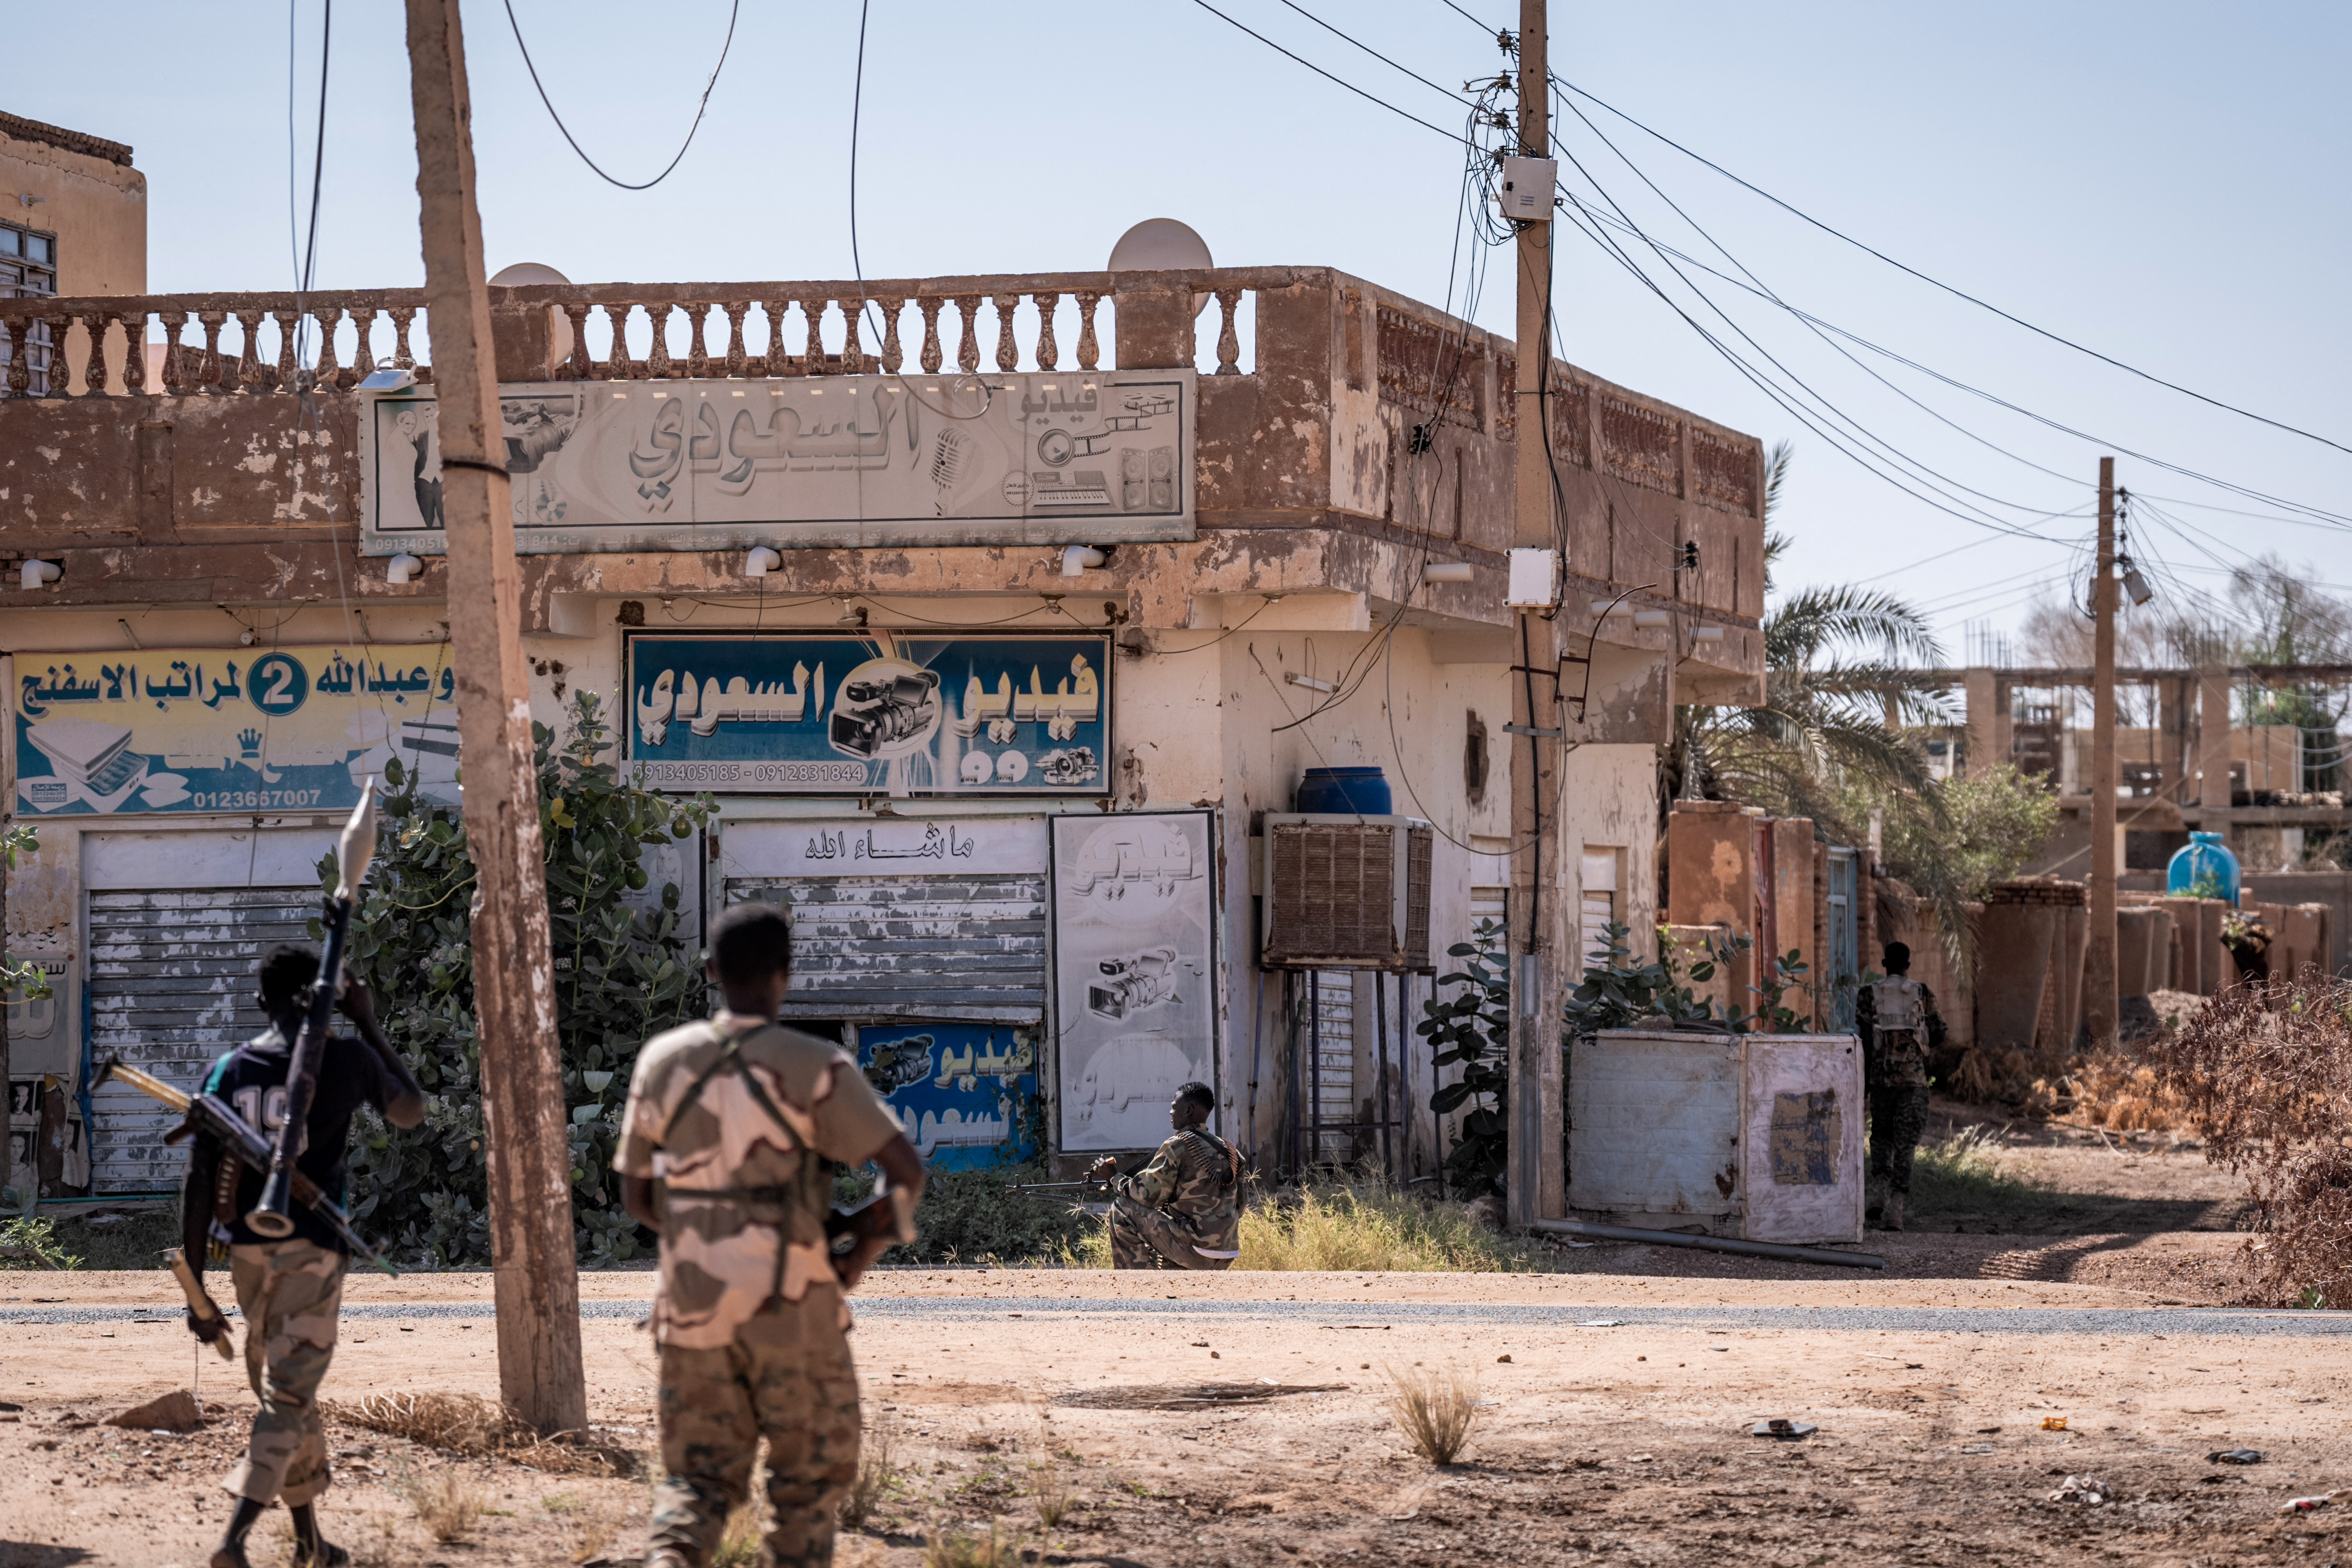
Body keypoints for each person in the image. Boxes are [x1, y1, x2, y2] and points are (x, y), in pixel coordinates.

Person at [619, 901, 925, 1568]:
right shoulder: (818, 1065)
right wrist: (854, 1256)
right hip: (795, 1307)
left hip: (693, 1306)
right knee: (806, 1489)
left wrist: (705, 1233)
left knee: (694, 1485)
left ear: (709, 972)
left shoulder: (662, 1060)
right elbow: (905, 1174)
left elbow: (637, 1195)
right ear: (786, 975)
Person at [180, 947, 427, 1568]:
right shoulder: (347, 1057)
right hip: (311, 1253)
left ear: (262, 1000)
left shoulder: (229, 1070)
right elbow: (410, 1111)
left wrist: (198, 1291)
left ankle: (309, 1543)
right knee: (288, 1395)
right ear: (326, 999)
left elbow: (198, 1180)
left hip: (246, 1255)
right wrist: (367, 1022)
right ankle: (233, 1541)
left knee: (290, 1392)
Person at [1088, 1082, 1242, 1270]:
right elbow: (1240, 1206)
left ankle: (1138, 1285)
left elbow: (1146, 1195)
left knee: (1122, 1209)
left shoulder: (1177, 1145)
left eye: (1174, 1107)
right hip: (1226, 1254)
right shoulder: (1231, 1151)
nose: (1171, 1112)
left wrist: (1114, 1178)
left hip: (1192, 1250)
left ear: (1189, 1111)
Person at [1855, 940, 1945, 1232]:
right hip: (1913, 1083)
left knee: (1881, 1138)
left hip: (1881, 1080)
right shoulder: (1921, 992)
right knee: (1906, 1143)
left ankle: (1877, 1194)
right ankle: (1896, 1209)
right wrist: (1918, 1050)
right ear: (1907, 966)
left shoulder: (1868, 994)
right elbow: (1940, 1033)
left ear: (1884, 965)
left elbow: (1866, 1041)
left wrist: (1867, 1082)